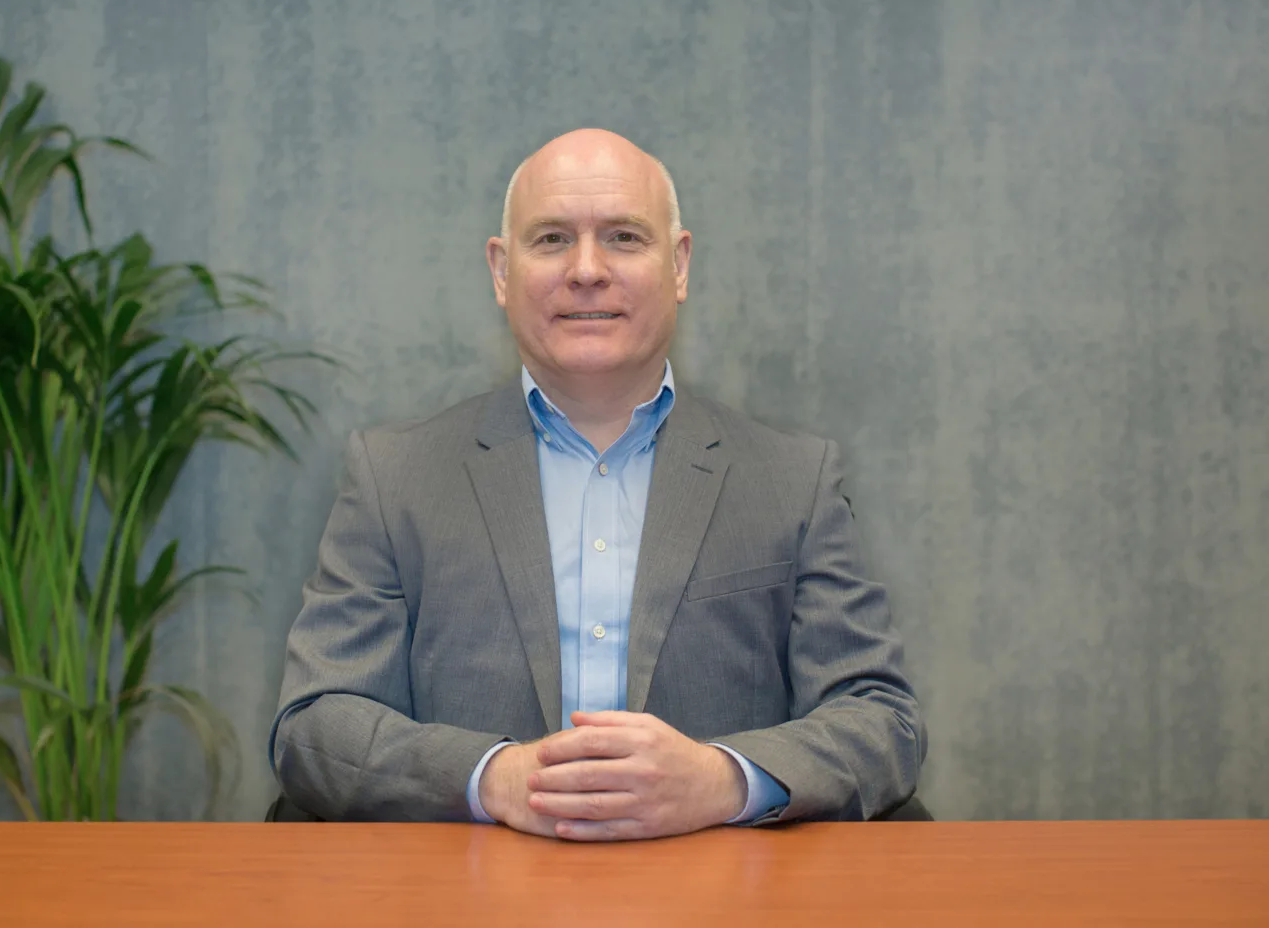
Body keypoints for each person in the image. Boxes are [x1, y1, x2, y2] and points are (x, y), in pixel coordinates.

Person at [270, 128, 925, 841]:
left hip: (723, 894)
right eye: (551, 239)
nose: (586, 269)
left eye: (622, 237)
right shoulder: (394, 477)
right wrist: (493, 779)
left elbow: (878, 718)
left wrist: (721, 779)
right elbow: (317, 724)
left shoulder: (794, 479)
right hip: (464, 895)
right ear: (500, 270)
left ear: (678, 265)